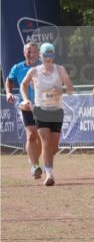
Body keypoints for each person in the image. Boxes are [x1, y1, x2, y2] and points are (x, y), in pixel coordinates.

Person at [20, 43, 74, 186]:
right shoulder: (34, 71)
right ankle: (49, 174)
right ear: (40, 56)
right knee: (45, 143)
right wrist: (26, 99)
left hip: (57, 111)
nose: (48, 57)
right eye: (45, 55)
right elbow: (23, 85)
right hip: (41, 110)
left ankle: (46, 161)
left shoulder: (60, 69)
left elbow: (70, 88)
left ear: (54, 55)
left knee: (53, 147)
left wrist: (61, 90)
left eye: (50, 54)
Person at [6, 42, 42, 179]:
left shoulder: (44, 67)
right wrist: (9, 92)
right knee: (31, 135)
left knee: (40, 138)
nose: (31, 54)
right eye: (28, 51)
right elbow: (9, 81)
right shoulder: (17, 67)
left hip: (42, 106)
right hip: (26, 105)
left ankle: (33, 159)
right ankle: (35, 166)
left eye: (33, 51)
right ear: (24, 53)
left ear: (38, 53)